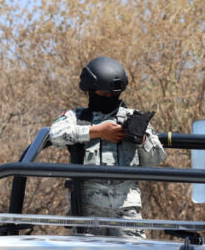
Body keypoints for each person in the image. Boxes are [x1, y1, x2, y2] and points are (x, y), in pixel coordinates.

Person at [49, 56, 166, 236]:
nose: (108, 98)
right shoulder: (77, 117)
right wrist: (97, 131)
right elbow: (55, 134)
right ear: (90, 91)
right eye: (103, 95)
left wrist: (142, 140)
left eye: (113, 95)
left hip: (126, 209)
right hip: (88, 208)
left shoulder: (133, 117)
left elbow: (157, 159)